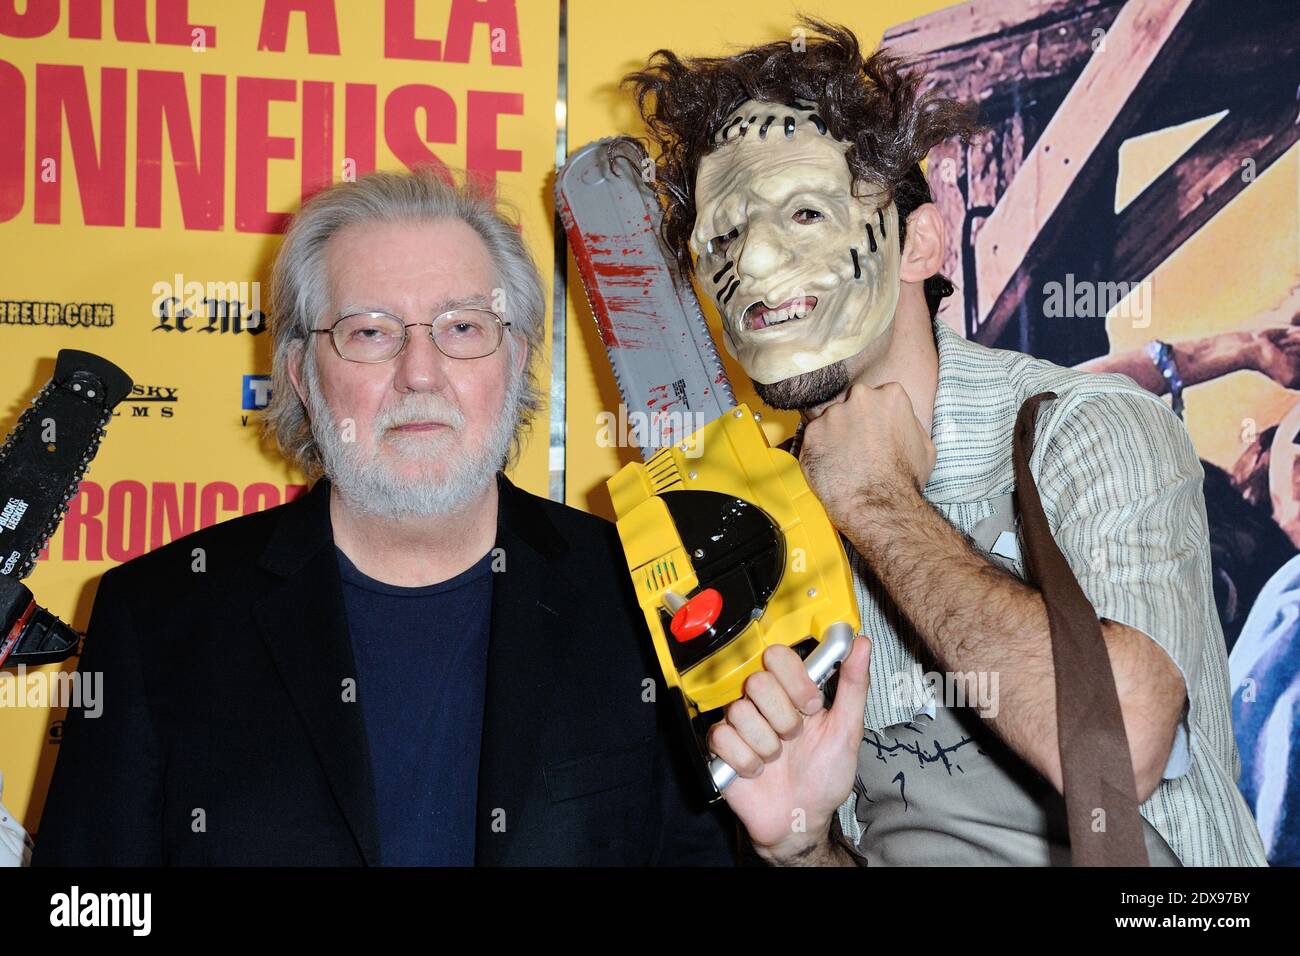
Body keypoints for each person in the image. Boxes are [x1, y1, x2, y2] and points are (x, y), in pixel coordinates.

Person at [622, 17, 1268, 866]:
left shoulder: (1085, 430)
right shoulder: (762, 522)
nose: (757, 261)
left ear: (919, 242)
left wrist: (878, 502)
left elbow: (1123, 748)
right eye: (724, 236)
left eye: (806, 211)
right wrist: (805, 845)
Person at [32, 168, 735, 866]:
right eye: (370, 332)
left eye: (463, 327)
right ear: (304, 375)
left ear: (516, 358)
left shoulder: (642, 597)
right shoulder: (157, 619)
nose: (420, 372)